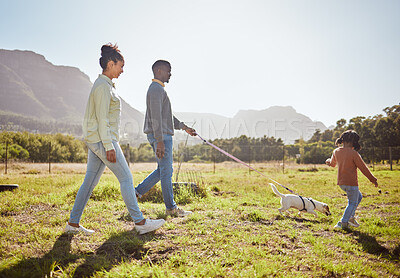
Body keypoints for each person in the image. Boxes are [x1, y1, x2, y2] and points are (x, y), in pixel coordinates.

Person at [65, 44, 165, 235]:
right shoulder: (103, 87)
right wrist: (109, 146)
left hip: (97, 141)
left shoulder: (105, 85)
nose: (122, 70)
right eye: (120, 65)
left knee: (89, 182)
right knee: (126, 178)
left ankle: (73, 224)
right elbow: (102, 118)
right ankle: (140, 223)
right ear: (110, 64)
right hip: (104, 141)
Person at [135, 60, 196, 217]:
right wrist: (160, 140)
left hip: (161, 135)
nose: (170, 74)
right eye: (169, 70)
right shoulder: (155, 89)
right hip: (161, 137)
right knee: (167, 171)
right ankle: (171, 208)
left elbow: (167, 116)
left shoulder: (158, 90)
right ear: (160, 71)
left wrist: (184, 128)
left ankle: (136, 193)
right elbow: (156, 117)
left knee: (162, 170)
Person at [326, 130, 378, 230]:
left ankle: (350, 217)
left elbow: (332, 164)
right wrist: (373, 179)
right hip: (351, 183)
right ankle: (343, 222)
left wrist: (328, 161)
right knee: (352, 202)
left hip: (341, 183)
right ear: (354, 142)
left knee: (358, 197)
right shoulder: (354, 154)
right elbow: (363, 168)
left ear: (343, 140)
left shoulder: (336, 151)